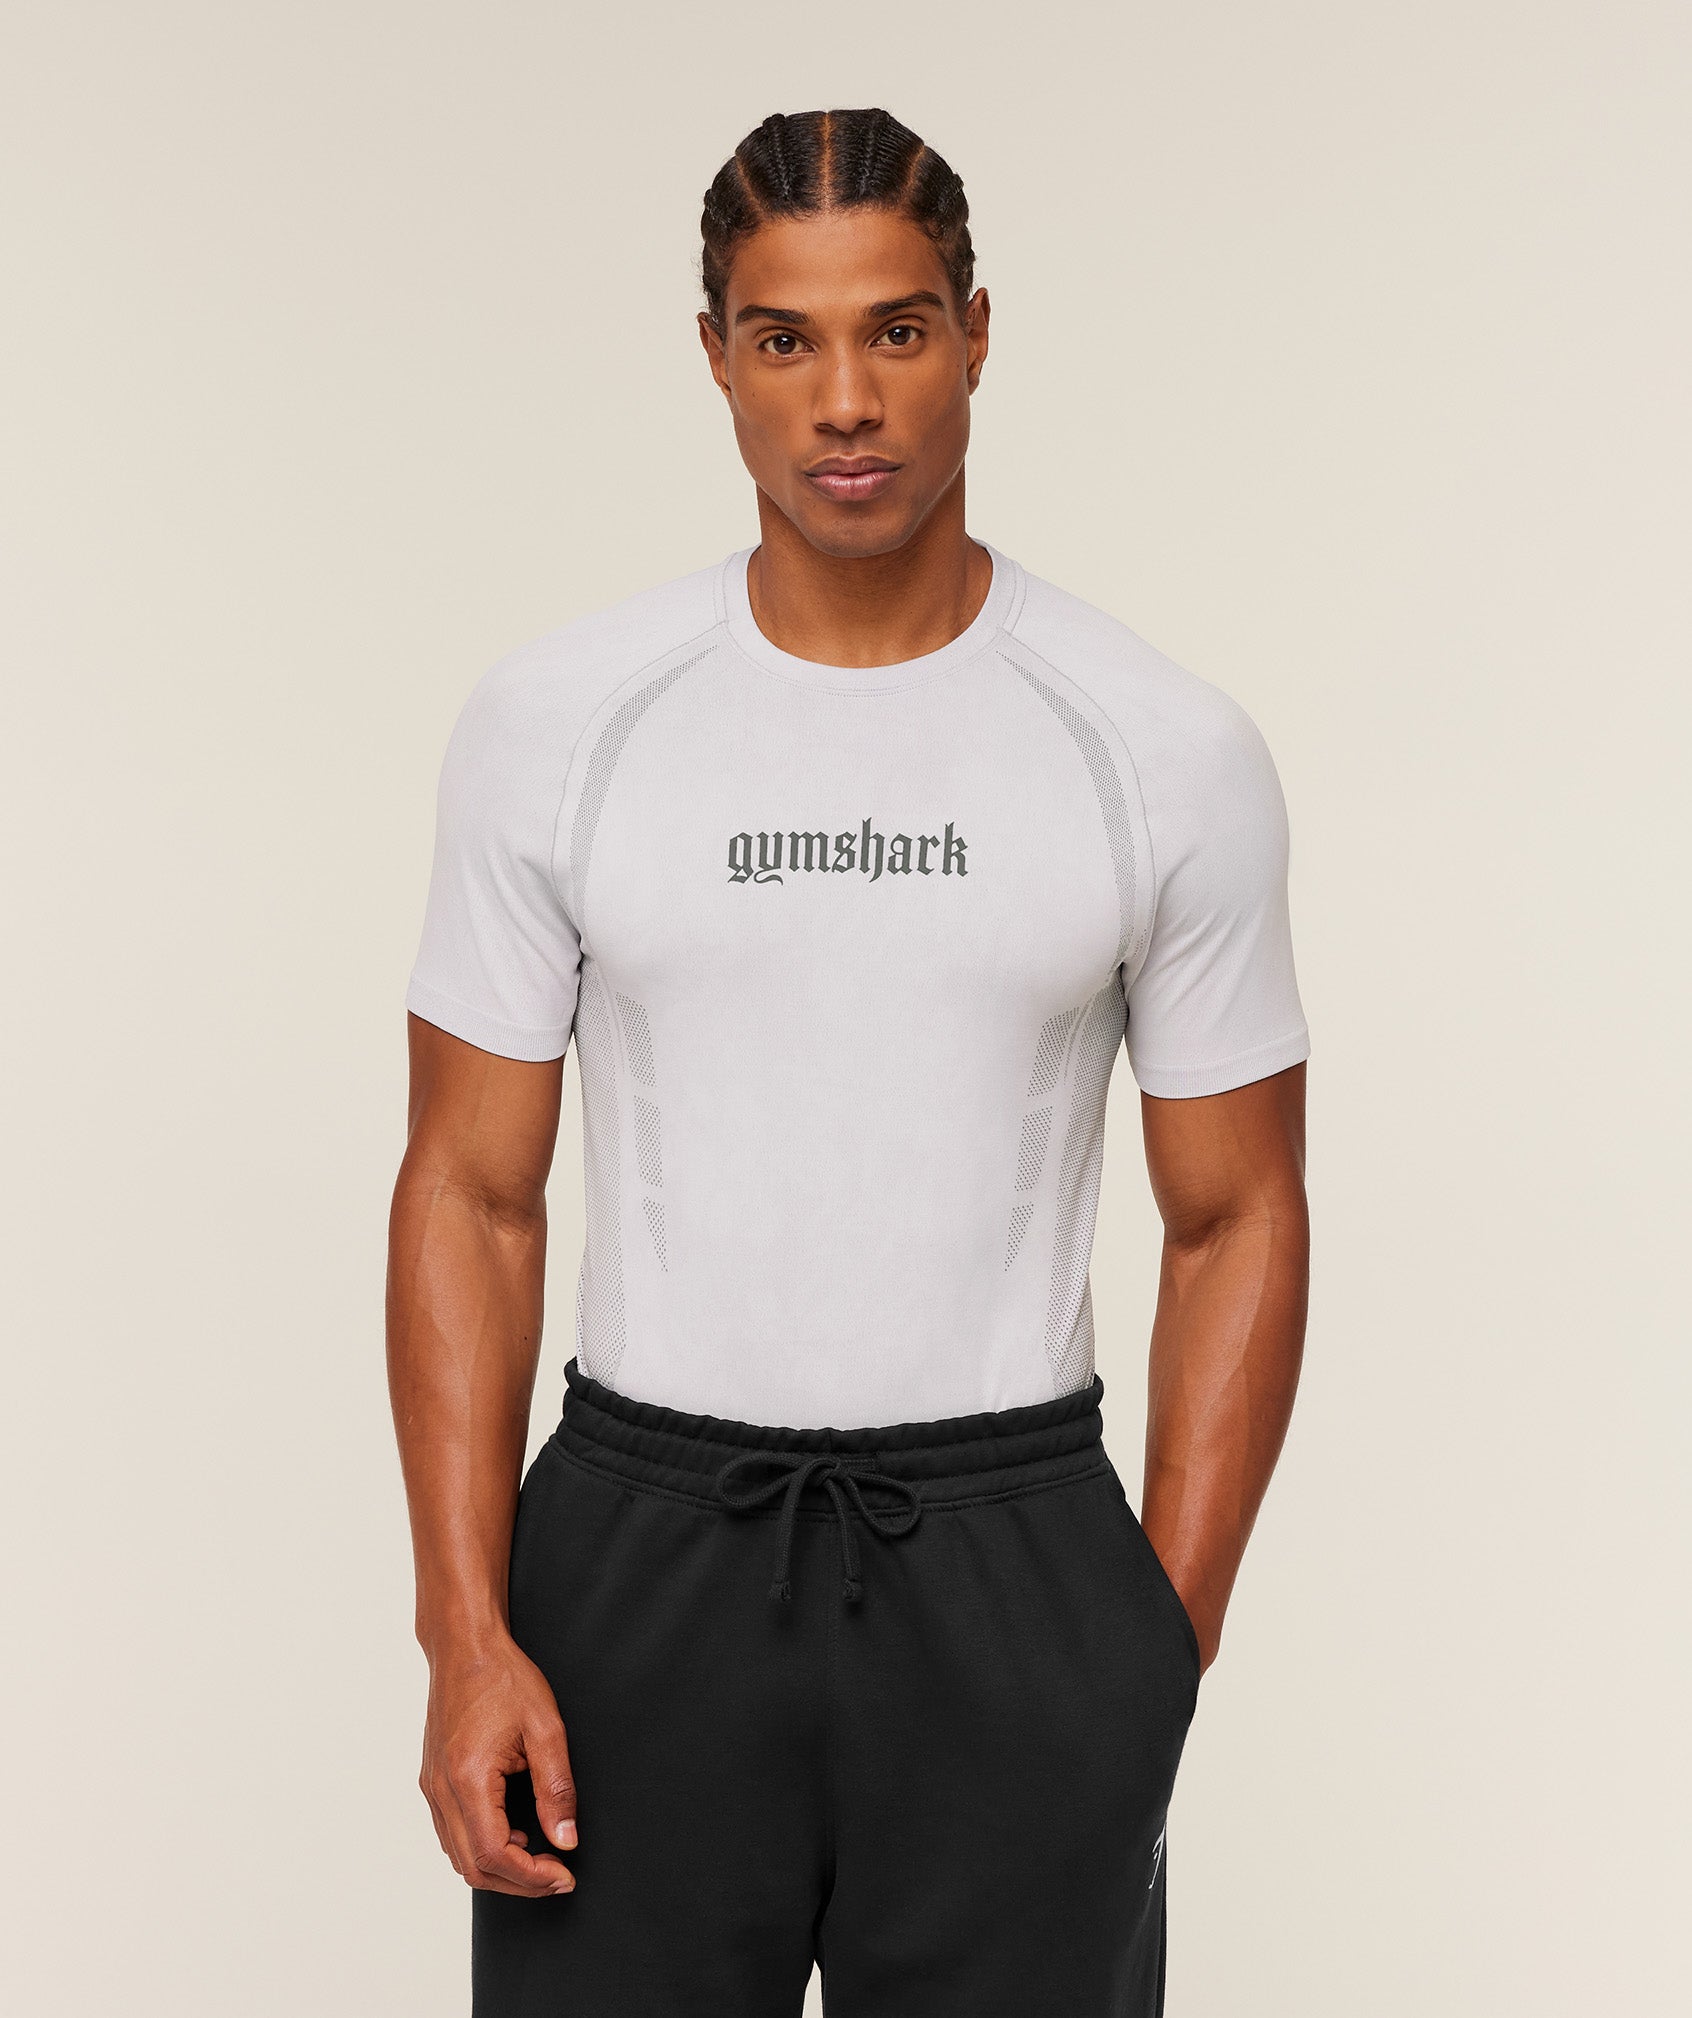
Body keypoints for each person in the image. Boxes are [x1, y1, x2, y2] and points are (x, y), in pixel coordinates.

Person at [387, 105, 1310, 2018]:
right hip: (640, 1561)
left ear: (976, 332)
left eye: (896, 329)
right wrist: (463, 1630)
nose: (847, 401)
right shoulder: (560, 724)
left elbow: (1237, 1212)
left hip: (1012, 1558)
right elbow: (469, 1188)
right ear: (716, 356)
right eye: (785, 338)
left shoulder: (1159, 747)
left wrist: (1156, 1641)